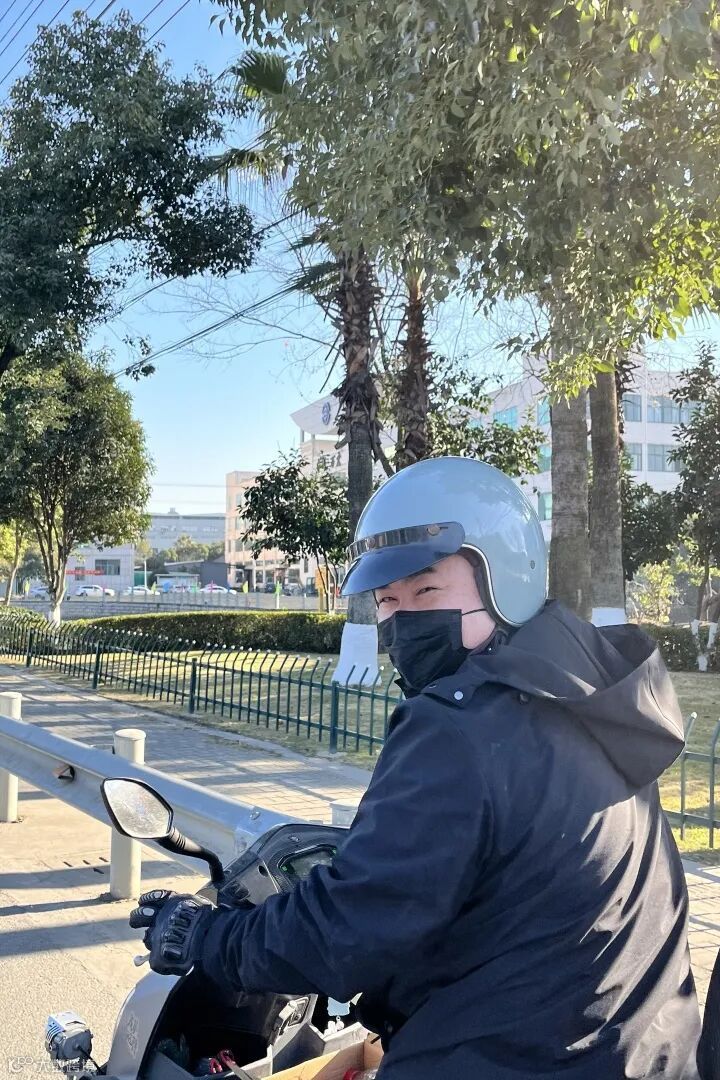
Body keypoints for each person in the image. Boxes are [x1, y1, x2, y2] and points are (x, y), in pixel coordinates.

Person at [130, 456, 701, 1079]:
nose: (403, 619)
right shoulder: (591, 697)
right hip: (644, 1048)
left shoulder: (458, 728)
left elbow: (346, 934)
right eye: (387, 599)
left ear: (506, 582)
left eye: (426, 591)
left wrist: (204, 937)